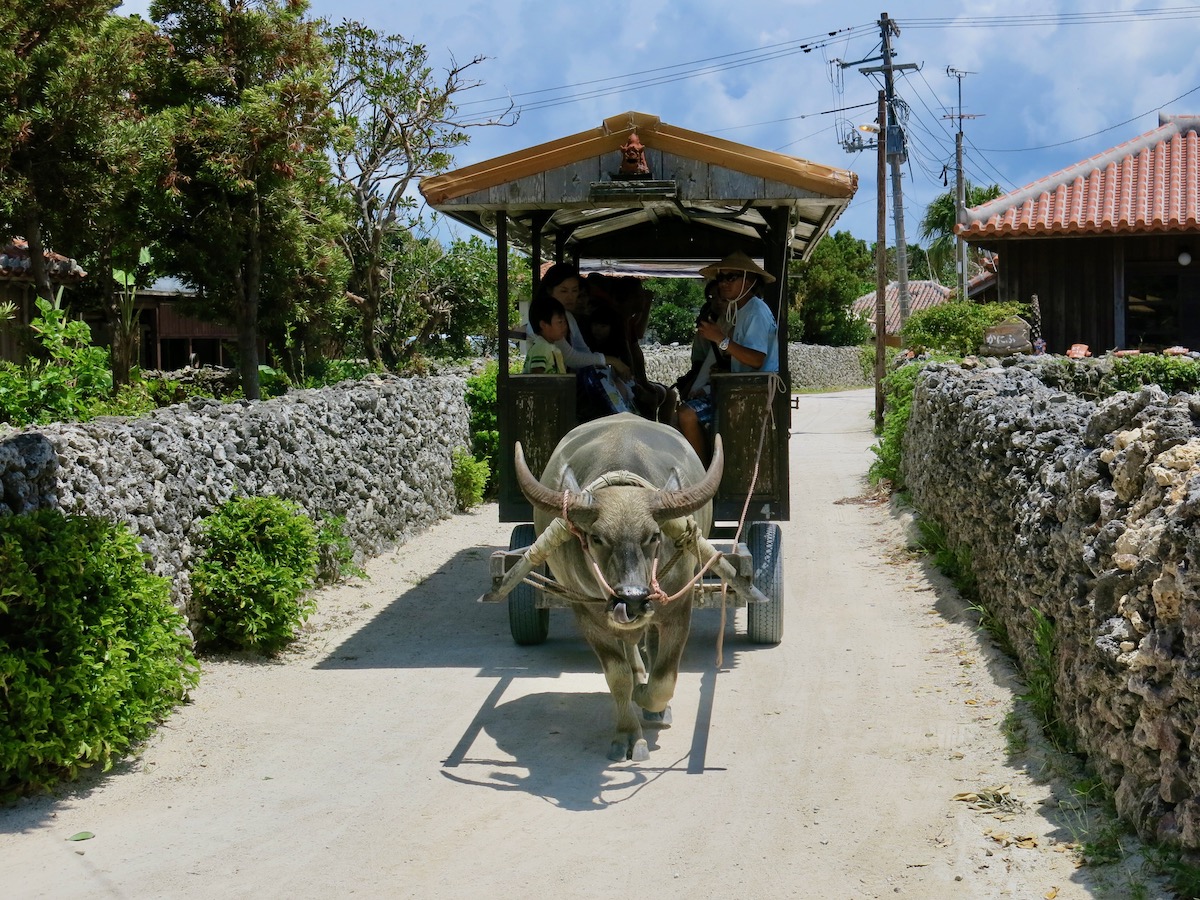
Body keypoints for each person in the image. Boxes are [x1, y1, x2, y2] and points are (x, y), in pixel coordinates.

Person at [676, 250, 778, 461]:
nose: (723, 283)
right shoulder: (740, 311)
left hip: (752, 395)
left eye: (731, 277)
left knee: (686, 414)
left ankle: (704, 477)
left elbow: (757, 359)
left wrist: (720, 339)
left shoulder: (755, 312)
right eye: (721, 277)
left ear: (749, 281)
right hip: (739, 391)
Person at [523, 296, 569, 374]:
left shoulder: (548, 347)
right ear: (543, 325)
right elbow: (537, 377)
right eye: (560, 322)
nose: (564, 326)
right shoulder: (542, 347)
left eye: (565, 322)